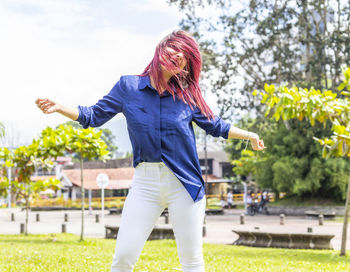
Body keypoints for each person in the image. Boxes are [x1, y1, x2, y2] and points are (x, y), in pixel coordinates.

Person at [35, 30, 265, 272]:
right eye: (174, 48)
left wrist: (249, 135)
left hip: (184, 185)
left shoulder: (187, 95)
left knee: (192, 260)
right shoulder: (128, 87)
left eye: (185, 55)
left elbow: (216, 125)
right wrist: (60, 107)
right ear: (160, 50)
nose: (179, 55)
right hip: (145, 184)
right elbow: (92, 115)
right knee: (123, 257)